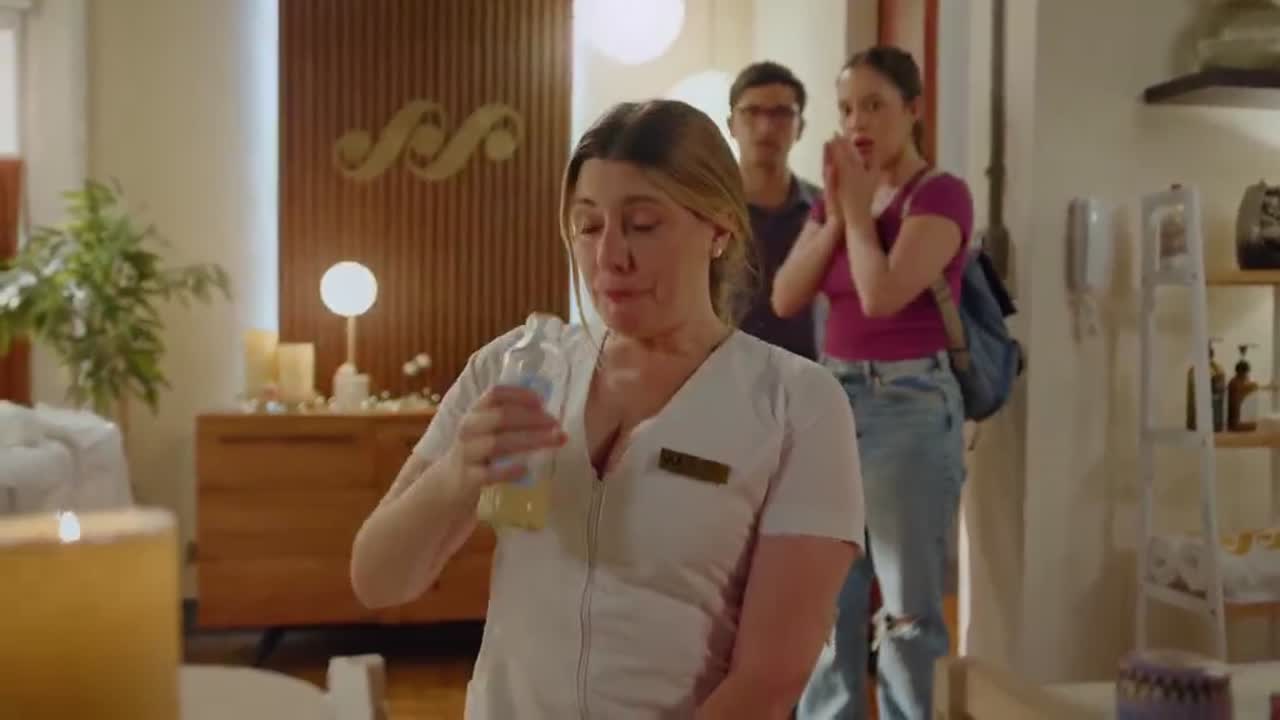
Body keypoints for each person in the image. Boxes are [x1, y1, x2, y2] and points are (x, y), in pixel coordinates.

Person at [350, 99, 865, 719]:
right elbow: (377, 580)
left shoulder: (796, 403)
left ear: (720, 228)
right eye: (589, 226)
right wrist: (457, 474)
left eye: (642, 224)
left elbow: (770, 677)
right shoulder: (516, 367)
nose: (610, 256)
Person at [772, 46, 972, 719]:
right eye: (847, 108)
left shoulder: (940, 194)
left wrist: (856, 215)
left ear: (913, 110)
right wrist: (837, 213)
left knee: (908, 609)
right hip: (832, 402)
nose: (857, 122)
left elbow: (882, 295)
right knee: (827, 601)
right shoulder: (840, 199)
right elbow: (785, 295)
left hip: (908, 403)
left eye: (874, 106)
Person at [727, 61, 821, 360]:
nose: (766, 127)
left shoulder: (825, 211)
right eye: (752, 112)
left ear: (800, 127)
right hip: (724, 369)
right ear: (731, 125)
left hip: (809, 372)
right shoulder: (704, 209)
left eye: (781, 114)